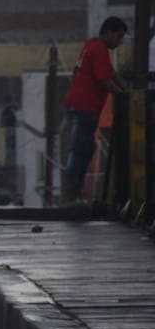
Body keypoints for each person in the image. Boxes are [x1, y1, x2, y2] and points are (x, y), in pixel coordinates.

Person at [63, 16, 128, 202]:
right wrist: (123, 94)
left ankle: (75, 190)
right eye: (118, 36)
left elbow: (110, 72)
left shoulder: (93, 45)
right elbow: (103, 80)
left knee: (85, 148)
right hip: (85, 107)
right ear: (107, 32)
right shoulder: (99, 49)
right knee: (80, 149)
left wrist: (124, 87)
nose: (120, 41)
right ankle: (72, 192)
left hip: (80, 106)